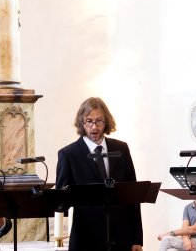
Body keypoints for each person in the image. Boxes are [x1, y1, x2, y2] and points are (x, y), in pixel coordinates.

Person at [56, 97, 143, 251]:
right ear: (81, 122)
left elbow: (133, 197)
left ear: (106, 122)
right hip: (86, 237)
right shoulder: (69, 154)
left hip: (121, 236)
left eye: (99, 121)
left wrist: (137, 239)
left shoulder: (121, 149)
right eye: (89, 121)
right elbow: (60, 201)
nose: (94, 126)